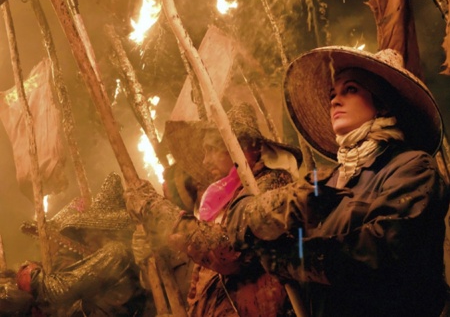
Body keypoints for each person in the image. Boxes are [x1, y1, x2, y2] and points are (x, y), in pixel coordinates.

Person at [226, 46, 450, 317]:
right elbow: (239, 226)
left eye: (351, 89)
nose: (334, 101)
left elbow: (382, 252)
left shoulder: (412, 168)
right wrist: (270, 220)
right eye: (333, 94)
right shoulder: (327, 181)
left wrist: (290, 259)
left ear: (383, 103)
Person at [125, 102, 303, 316]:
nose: (204, 160)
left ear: (239, 148)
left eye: (211, 150)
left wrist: (156, 209)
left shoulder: (270, 183)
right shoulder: (217, 201)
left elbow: (228, 249)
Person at [17, 172, 151, 316]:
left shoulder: (115, 253)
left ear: (104, 230)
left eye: (89, 231)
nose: (86, 237)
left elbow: (58, 290)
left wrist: (32, 275)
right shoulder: (120, 251)